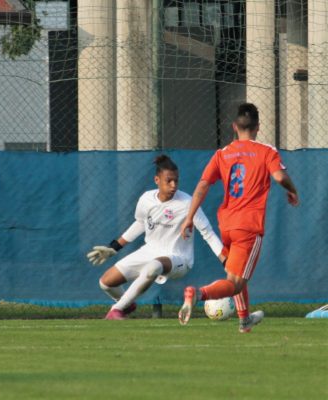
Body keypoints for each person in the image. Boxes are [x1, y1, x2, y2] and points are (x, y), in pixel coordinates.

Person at [178, 103, 299, 333]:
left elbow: (203, 184)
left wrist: (189, 217)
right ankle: (197, 294)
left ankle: (244, 321)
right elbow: (279, 176)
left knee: (234, 274)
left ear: (235, 127)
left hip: (227, 224)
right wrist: (293, 190)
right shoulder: (266, 151)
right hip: (248, 225)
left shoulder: (222, 153)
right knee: (235, 283)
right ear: (258, 127)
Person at [87, 155, 225, 320]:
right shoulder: (146, 199)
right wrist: (114, 247)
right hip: (149, 251)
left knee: (153, 267)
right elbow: (140, 223)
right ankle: (127, 304)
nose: (174, 185)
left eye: (176, 181)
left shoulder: (188, 203)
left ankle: (116, 310)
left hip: (179, 258)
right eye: (169, 181)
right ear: (157, 180)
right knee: (105, 283)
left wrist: (225, 260)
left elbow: (208, 233)